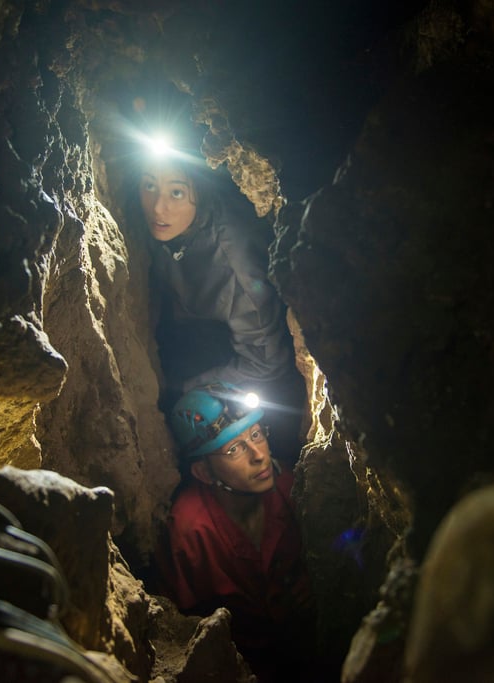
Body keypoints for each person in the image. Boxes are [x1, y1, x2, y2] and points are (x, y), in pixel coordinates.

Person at [130, 130, 307, 463]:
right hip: (194, 321)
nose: (158, 207)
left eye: (177, 192)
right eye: (149, 185)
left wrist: (186, 386)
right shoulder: (174, 223)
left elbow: (268, 363)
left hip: (257, 362)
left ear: (200, 189)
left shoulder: (234, 267)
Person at [153, 382, 320, 682]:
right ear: (204, 472)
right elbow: (174, 628)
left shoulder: (291, 487)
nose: (259, 455)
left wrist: (314, 583)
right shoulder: (189, 533)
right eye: (234, 449)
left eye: (256, 434)